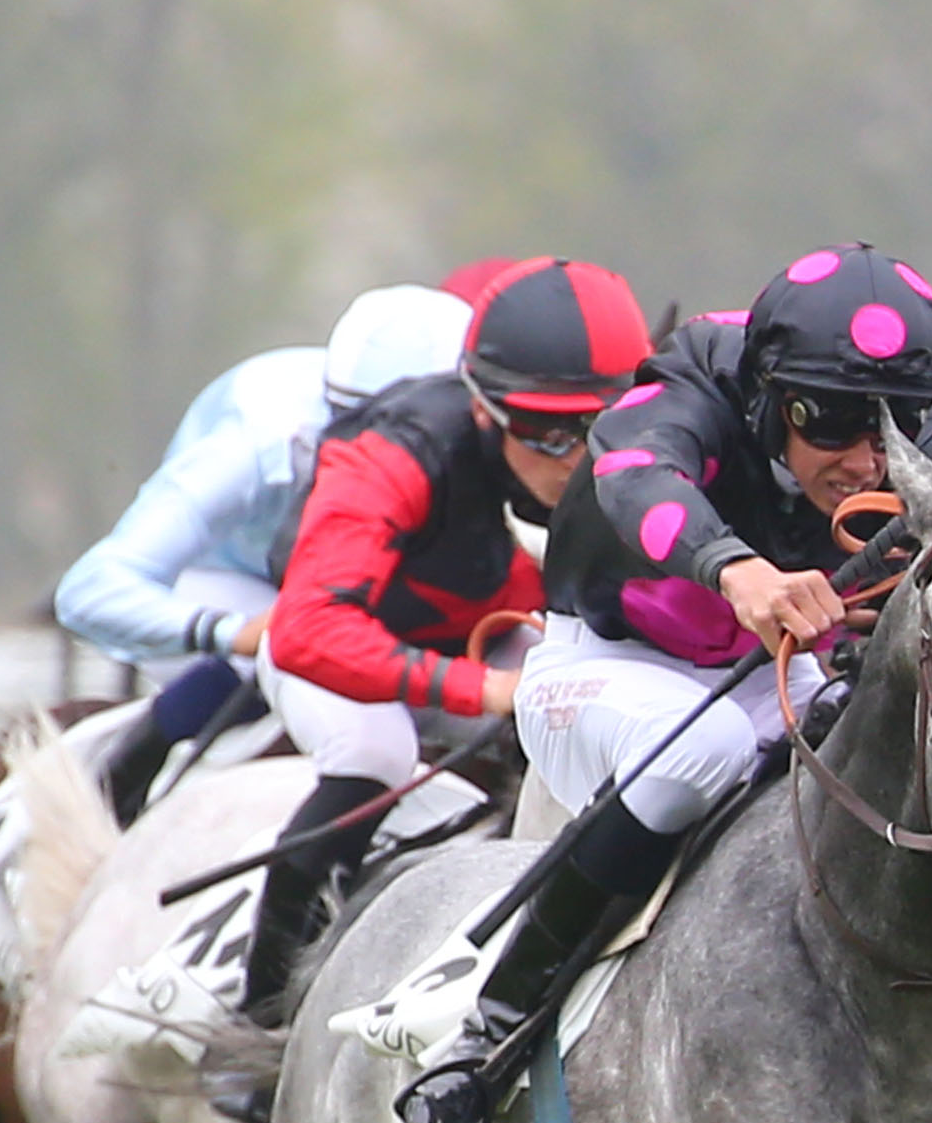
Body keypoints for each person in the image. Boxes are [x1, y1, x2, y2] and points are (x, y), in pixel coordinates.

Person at [391, 242, 932, 1123]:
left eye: (893, 425)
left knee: (897, 758)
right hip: (599, 664)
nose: (865, 459)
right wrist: (736, 570)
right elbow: (637, 478)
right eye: (831, 423)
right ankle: (488, 1033)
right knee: (705, 750)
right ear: (770, 399)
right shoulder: (693, 386)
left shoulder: (921, 427)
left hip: (768, 671)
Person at [227, 254, 650, 1071]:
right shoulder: (394, 450)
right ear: (484, 410)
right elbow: (309, 626)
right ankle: (260, 1026)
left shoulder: (613, 445)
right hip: (334, 644)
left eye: (598, 427)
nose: (576, 461)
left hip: (465, 624)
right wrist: (485, 688)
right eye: (548, 434)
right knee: (374, 754)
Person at [52, 282, 474, 821]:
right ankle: (126, 775)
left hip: (352, 577)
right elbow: (87, 592)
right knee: (293, 651)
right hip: (232, 581)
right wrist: (233, 633)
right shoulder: (259, 443)